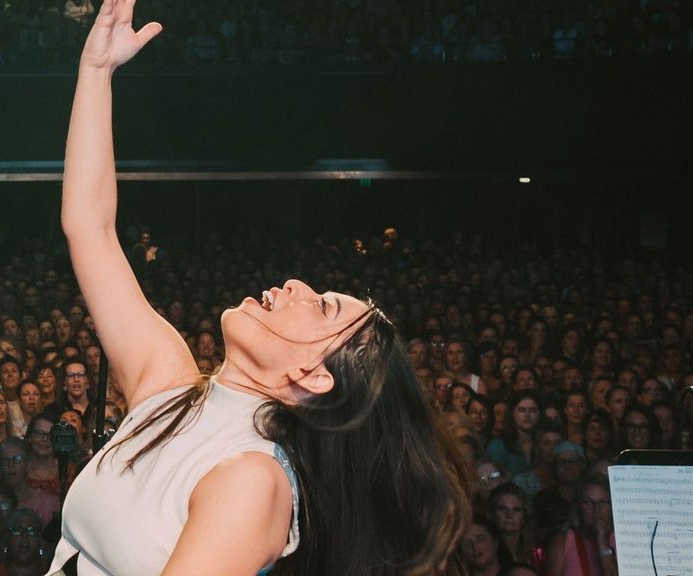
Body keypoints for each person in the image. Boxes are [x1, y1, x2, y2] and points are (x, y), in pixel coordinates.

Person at [46, 2, 470, 574]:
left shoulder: (255, 479)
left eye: (322, 306)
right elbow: (90, 227)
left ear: (315, 375)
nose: (295, 284)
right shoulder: (170, 387)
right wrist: (96, 72)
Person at [542, 474, 618, 576]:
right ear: (577, 506)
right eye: (587, 502)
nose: (596, 509)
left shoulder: (624, 540)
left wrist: (603, 545)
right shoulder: (562, 542)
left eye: (604, 502)